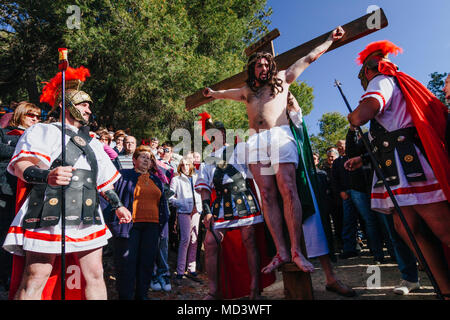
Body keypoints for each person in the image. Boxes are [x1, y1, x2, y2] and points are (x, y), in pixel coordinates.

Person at [203, 26, 345, 273]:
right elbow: (227, 94)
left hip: (280, 135)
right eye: (259, 66)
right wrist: (212, 93)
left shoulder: (282, 79)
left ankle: (296, 251)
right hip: (255, 141)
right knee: (267, 195)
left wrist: (329, 40)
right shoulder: (247, 91)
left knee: (288, 189)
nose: (264, 68)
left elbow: (309, 58)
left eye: (267, 65)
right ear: (253, 69)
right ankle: (280, 251)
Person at [3, 66, 132, 300]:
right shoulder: (42, 130)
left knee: (95, 274)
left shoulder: (92, 142)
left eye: (89, 106)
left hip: (88, 209)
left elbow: (103, 181)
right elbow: (22, 165)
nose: (88, 110)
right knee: (36, 275)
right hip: (49, 206)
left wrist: (118, 205)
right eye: (84, 104)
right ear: (65, 104)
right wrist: (47, 176)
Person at [345, 40, 450, 298]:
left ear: (368, 70)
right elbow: (386, 131)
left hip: (409, 165)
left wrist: (352, 117)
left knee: (444, 229)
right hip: (395, 167)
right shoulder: (393, 82)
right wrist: (364, 159)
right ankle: (446, 290)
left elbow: (362, 115)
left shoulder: (380, 81)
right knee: (408, 229)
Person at [195, 121, 267, 300]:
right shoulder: (207, 161)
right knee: (210, 243)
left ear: (223, 133)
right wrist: (206, 211)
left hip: (243, 198)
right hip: (220, 204)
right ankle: (213, 291)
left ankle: (254, 289)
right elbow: (204, 189)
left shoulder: (239, 149)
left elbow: (255, 172)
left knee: (249, 241)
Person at [105, 145, 169, 300]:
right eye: (143, 157)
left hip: (152, 227)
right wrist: (115, 215)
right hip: (129, 227)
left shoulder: (156, 180)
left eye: (149, 158)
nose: (147, 160)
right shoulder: (123, 175)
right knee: (127, 264)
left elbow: (162, 204)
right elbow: (106, 191)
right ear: (134, 160)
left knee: (146, 264)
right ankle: (125, 296)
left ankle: (142, 295)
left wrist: (163, 226)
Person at [0, 102, 41, 290]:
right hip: (6, 193)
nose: (35, 119)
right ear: (20, 115)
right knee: (5, 236)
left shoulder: (41, 137)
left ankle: (21, 277)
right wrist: (22, 152)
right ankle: (5, 276)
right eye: (30, 115)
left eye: (38, 116)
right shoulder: (5, 134)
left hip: (32, 194)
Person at [169, 157, 202, 283]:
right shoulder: (176, 179)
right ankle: (180, 270)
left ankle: (191, 268)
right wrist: (181, 203)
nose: (185, 167)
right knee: (185, 239)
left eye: (187, 164)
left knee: (194, 238)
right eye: (183, 165)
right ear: (180, 166)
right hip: (184, 211)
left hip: (196, 210)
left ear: (191, 165)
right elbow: (170, 197)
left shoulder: (196, 177)